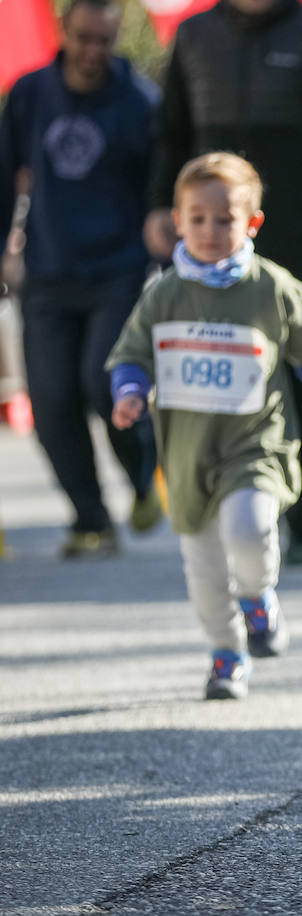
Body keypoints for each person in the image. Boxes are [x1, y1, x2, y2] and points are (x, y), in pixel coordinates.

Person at [107, 153, 302, 700]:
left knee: (249, 528)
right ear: (177, 220)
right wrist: (128, 392)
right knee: (206, 573)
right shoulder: (164, 292)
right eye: (197, 219)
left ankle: (259, 597)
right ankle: (227, 655)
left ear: (252, 223)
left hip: (254, 442)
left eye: (224, 219)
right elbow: (131, 355)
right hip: (188, 454)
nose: (210, 231)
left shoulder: (272, 286)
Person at [146, 0, 302, 566]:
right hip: (212, 239)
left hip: (298, 237)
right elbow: (171, 131)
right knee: (214, 368)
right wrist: (157, 204)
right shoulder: (194, 36)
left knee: (300, 369)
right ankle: (226, 507)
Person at [0, 0, 162, 557]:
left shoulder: (141, 102)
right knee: (49, 401)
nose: (94, 52)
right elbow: (5, 180)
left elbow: (159, 193)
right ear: (63, 30)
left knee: (103, 383)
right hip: (46, 270)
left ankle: (143, 474)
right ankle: (91, 518)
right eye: (85, 39)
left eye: (105, 41)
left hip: (117, 269)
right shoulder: (29, 95)